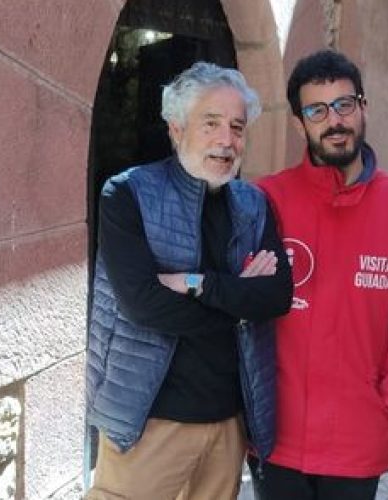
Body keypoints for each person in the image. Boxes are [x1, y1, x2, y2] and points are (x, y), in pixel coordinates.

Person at [85, 61, 293, 500]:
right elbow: (144, 305)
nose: (226, 140)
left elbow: (276, 296)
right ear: (176, 129)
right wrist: (240, 301)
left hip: (227, 424)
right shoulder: (127, 195)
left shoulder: (254, 204)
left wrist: (199, 283)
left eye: (237, 127)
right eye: (211, 123)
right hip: (149, 424)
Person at [251, 50, 388, 500]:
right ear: (300, 124)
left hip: (358, 439)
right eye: (317, 110)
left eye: (344, 105)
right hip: (276, 438)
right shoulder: (264, 200)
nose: (334, 120)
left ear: (363, 108)